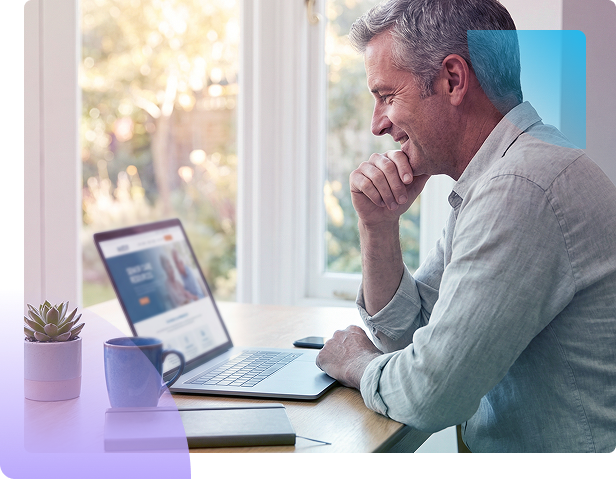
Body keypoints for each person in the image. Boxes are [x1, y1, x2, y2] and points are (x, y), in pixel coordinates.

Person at [315, 0, 616, 453]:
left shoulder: (521, 188)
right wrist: (378, 227)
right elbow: (412, 337)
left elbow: (429, 394)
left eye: (386, 96)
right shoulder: (500, 177)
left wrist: (353, 361)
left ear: (453, 80)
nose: (378, 125)